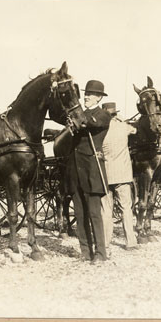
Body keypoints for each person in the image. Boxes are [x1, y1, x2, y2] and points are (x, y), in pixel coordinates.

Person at [66, 80, 111, 263]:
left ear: (99, 97)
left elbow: (91, 123)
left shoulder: (103, 115)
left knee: (94, 213)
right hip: (75, 171)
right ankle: (85, 252)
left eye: (90, 94)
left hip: (92, 171)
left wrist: (77, 118)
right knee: (79, 214)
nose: (86, 96)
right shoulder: (80, 114)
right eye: (85, 94)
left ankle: (101, 253)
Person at [100, 102, 138, 253]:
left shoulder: (101, 131)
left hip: (106, 176)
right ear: (115, 114)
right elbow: (135, 130)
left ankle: (106, 242)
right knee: (126, 209)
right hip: (123, 175)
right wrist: (121, 120)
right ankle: (130, 241)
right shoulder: (123, 127)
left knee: (106, 210)